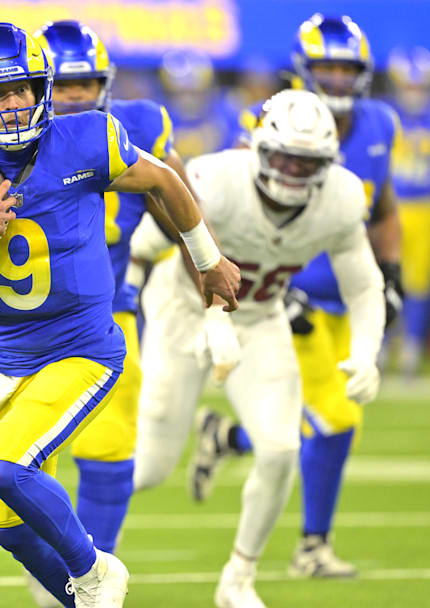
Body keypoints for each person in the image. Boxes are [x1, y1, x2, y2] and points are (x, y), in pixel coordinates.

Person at [0, 23, 240, 607]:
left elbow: (163, 180)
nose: (12, 106)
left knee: (7, 467)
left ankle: (96, 572)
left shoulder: (89, 138)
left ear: (43, 89)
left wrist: (208, 261)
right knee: (6, 524)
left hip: (81, 348)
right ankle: (79, 594)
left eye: (23, 90)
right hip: (4, 358)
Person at [134, 89, 385, 608]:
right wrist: (191, 313)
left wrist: (367, 350)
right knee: (149, 467)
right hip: (181, 311)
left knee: (280, 449)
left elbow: (364, 285)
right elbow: (159, 243)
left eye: (307, 162)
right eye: (285, 158)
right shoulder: (218, 179)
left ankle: (238, 580)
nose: (293, 172)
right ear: (259, 148)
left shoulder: (341, 196)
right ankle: (68, 550)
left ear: (327, 163)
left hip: (259, 317)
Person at [188, 14, 403, 578]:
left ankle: (228, 437)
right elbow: (230, 213)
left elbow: (382, 208)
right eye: (326, 66)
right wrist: (258, 292)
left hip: (344, 294)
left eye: (346, 68)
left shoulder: (379, 122)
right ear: (303, 71)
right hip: (283, 289)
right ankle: (313, 546)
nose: (335, 78)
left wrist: (393, 272)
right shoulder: (266, 121)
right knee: (333, 418)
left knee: (318, 417)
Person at [384, 47, 430, 374]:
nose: (415, 93)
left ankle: (411, 345)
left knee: (419, 283)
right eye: (410, 86)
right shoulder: (385, 116)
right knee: (383, 278)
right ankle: (382, 345)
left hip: (428, 207)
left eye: (420, 86)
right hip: (392, 207)